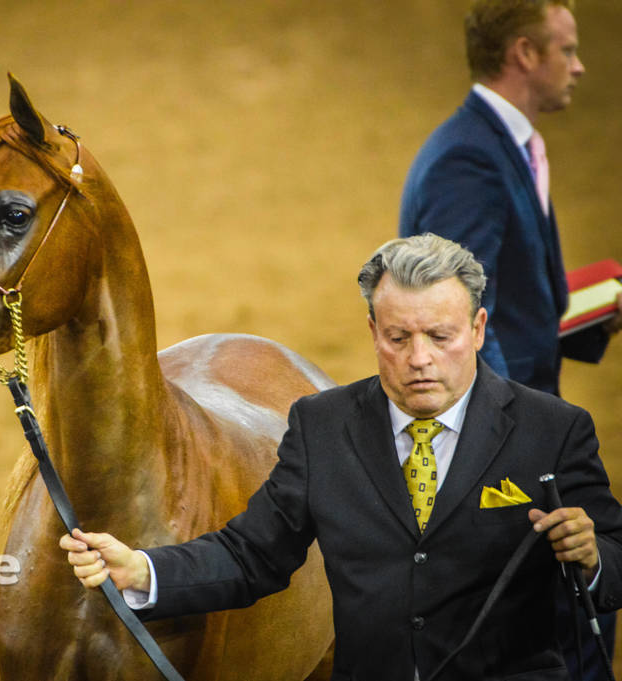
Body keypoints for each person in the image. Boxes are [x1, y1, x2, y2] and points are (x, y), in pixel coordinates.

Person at [61, 234, 622, 680]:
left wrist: (593, 556)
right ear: (374, 332)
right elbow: (252, 554)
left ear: (477, 331)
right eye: (399, 338)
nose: (420, 359)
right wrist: (144, 569)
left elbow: (617, 560)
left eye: (440, 336)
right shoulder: (322, 427)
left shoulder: (553, 429)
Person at [399, 1, 620, 674]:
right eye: (566, 49)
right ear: (525, 54)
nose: (579, 66)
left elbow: (499, 302)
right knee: (564, 633)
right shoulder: (468, 159)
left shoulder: (497, 146)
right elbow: (453, 322)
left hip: (520, 429)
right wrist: (516, 448)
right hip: (506, 456)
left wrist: (581, 309)